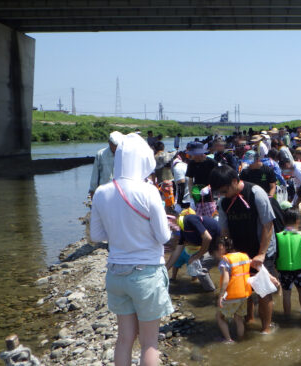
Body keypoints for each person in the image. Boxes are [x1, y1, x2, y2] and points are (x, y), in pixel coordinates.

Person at [90, 133, 173, 366]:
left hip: (116, 272)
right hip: (146, 273)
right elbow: (164, 236)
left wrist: (119, 231)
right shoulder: (148, 191)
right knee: (149, 342)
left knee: (124, 338)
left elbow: (96, 236)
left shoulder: (101, 192)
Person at [210, 165, 278, 334]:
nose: (222, 195)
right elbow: (224, 230)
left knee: (263, 291)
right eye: (219, 192)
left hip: (262, 248)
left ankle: (266, 330)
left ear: (234, 181)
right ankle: (248, 320)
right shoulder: (224, 201)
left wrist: (261, 254)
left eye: (224, 190)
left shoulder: (256, 193)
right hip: (239, 252)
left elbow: (268, 225)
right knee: (242, 288)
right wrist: (226, 254)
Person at [276, 208, 301, 316]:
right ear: (297, 221)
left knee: (286, 294)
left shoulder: (278, 236)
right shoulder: (300, 235)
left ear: (283, 222)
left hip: (283, 269)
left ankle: (287, 317)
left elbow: (276, 254)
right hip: (299, 269)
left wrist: (275, 270)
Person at [165, 213, 220, 291]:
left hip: (220, 244)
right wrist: (164, 270)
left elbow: (207, 238)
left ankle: (212, 292)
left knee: (199, 264)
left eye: (169, 227)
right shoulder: (183, 232)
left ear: (173, 220)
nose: (170, 229)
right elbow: (176, 253)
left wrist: (197, 256)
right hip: (213, 247)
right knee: (197, 265)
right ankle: (211, 290)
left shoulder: (189, 219)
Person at [216, 237, 251, 343]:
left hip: (232, 294)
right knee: (239, 317)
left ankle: (228, 340)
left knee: (219, 317)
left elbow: (226, 278)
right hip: (244, 294)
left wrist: (221, 295)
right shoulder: (244, 256)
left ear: (223, 247)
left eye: (218, 248)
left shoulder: (225, 260)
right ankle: (240, 339)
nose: (218, 251)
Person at [185, 142, 218, 218]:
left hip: (210, 196)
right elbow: (190, 182)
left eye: (193, 154)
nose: (191, 156)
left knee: (212, 218)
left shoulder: (212, 163)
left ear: (199, 154)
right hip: (197, 195)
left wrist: (209, 187)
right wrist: (191, 198)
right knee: (198, 219)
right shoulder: (191, 164)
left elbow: (217, 179)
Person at [89, 131, 123, 197]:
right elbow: (95, 175)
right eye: (114, 145)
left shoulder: (125, 155)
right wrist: (92, 191)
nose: (115, 147)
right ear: (109, 142)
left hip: (120, 192)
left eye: (117, 146)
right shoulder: (101, 154)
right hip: (104, 192)